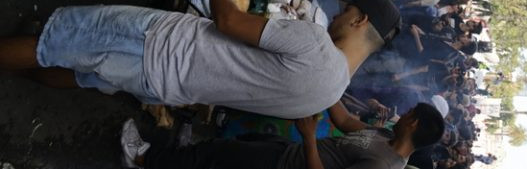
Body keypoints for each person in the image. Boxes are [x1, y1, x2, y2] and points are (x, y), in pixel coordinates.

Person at [0, 0, 401, 119]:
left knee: (54, 42)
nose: (335, 16)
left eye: (344, 12)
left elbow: (227, 20)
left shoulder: (317, 44)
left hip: (157, 43)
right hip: (165, 87)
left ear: (359, 19)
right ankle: (23, 70)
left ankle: (23, 52)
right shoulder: (329, 97)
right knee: (82, 75)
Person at [120, 101, 445, 169]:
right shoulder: (383, 134)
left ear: (414, 125)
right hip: (286, 151)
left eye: (409, 114)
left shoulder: (383, 166)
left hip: (284, 164)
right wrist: (328, 83)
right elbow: (345, 121)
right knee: (222, 149)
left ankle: (142, 156)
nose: (402, 115)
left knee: (211, 155)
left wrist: (307, 136)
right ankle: (164, 159)